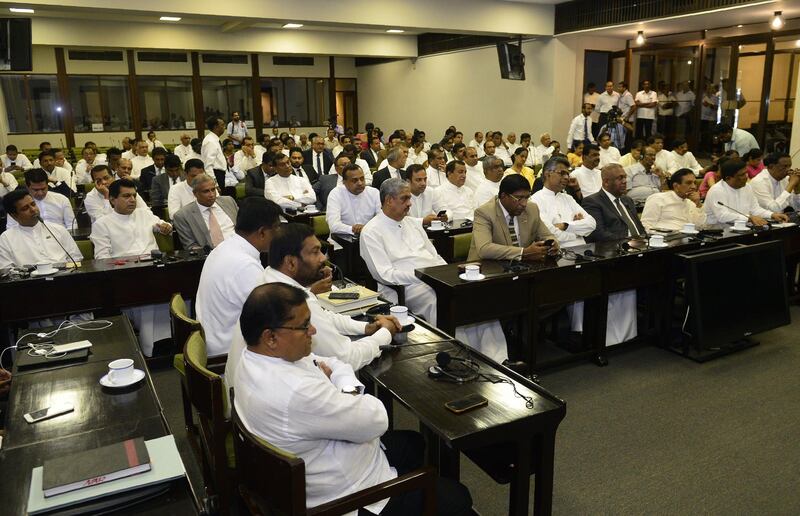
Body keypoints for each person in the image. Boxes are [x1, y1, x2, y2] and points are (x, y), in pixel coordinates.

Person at [231, 283, 473, 516]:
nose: (313, 331)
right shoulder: (296, 391)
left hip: (316, 468)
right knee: (458, 498)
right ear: (270, 337)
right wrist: (344, 387)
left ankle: (411, 487)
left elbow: (334, 363)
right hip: (348, 498)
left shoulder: (253, 358)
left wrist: (335, 384)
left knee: (414, 442)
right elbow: (377, 419)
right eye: (304, 326)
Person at [361, 178, 511, 363]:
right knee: (442, 302)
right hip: (405, 286)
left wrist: (446, 272)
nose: (410, 203)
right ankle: (461, 359)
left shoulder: (412, 224)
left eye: (410, 198)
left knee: (475, 297)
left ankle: (498, 360)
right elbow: (384, 275)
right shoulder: (371, 231)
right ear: (389, 200)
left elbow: (435, 255)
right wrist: (423, 275)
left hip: (435, 275)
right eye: (405, 198)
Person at [247, 224, 400, 372]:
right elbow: (348, 358)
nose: (323, 258)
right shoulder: (292, 300)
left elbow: (322, 317)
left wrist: (365, 328)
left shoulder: (269, 276)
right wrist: (386, 333)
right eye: (315, 252)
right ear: (291, 262)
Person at [91, 179, 173, 356]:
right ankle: (151, 348)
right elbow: (102, 259)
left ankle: (173, 342)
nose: (132, 200)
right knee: (149, 298)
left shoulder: (144, 213)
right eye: (126, 196)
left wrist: (165, 227)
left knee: (178, 294)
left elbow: (162, 226)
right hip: (126, 277)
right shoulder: (102, 224)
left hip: (155, 269)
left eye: (134, 195)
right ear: (112, 199)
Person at [196, 198, 282, 357]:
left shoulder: (226, 247)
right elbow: (271, 315)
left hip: (215, 337)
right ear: (262, 232)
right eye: (276, 228)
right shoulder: (244, 265)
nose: (279, 233)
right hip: (229, 351)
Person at [580, 164, 643, 345]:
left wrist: (645, 240)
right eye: (619, 178)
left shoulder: (627, 200)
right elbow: (598, 234)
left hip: (638, 250)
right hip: (612, 255)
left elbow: (638, 228)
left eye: (625, 177)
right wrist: (631, 243)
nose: (625, 181)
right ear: (606, 182)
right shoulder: (593, 201)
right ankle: (609, 339)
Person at [469, 172, 559, 260]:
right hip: (487, 268)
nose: (524, 204)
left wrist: (552, 244)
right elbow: (484, 249)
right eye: (519, 198)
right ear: (503, 196)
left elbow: (546, 235)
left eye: (527, 197)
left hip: (520, 267)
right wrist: (524, 252)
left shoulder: (531, 208)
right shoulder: (484, 213)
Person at [0, 189, 81, 269]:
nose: (33, 209)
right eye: (25, 208)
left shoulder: (58, 229)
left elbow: (75, 257)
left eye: (33, 204)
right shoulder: (6, 239)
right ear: (14, 216)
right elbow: (6, 270)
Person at [531, 157, 596, 247]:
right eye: (562, 173)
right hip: (558, 253)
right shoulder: (535, 200)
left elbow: (592, 224)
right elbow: (550, 233)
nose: (566, 177)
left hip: (583, 250)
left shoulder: (568, 198)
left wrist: (565, 226)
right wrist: (577, 233)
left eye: (567, 174)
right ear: (547, 174)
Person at [707, 159, 790, 226]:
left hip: (741, 229)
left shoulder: (747, 187)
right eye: (742, 175)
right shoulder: (717, 190)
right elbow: (722, 216)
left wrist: (772, 215)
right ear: (728, 178)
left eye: (746, 173)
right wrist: (749, 218)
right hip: (717, 231)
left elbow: (755, 209)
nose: (746, 177)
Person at [173, 174, 239, 250]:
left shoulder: (228, 201)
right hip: (210, 257)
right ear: (195, 193)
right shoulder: (183, 216)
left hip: (240, 249)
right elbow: (190, 246)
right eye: (206, 191)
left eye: (213, 189)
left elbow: (244, 228)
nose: (211, 195)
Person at [640, 168, 707, 232]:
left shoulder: (692, 202)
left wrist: (698, 204)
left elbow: (700, 227)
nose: (693, 187)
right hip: (665, 240)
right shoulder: (658, 199)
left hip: (689, 241)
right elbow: (646, 225)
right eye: (688, 183)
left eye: (694, 183)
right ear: (676, 186)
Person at [7, 168, 75, 229]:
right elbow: (11, 227)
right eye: (36, 190)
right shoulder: (17, 203)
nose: (40, 193)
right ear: (27, 187)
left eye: (43, 189)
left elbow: (72, 225)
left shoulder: (62, 199)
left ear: (47, 185)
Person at [325, 163, 380, 235]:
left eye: (362, 179)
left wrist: (365, 228)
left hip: (370, 237)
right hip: (341, 240)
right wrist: (354, 229)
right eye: (355, 180)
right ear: (344, 182)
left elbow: (381, 219)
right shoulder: (336, 194)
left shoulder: (374, 192)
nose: (360, 183)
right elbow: (334, 225)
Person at [202, 116, 228, 188]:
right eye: (222, 125)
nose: (224, 127)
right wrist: (214, 184)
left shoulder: (215, 139)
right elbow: (208, 165)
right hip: (216, 174)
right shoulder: (210, 141)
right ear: (216, 127)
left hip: (220, 174)